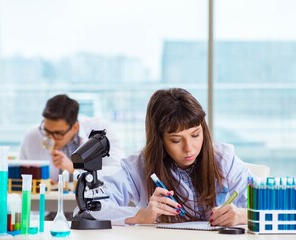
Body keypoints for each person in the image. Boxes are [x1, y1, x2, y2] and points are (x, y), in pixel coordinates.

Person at [83, 88, 252, 226]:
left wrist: (242, 215)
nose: (189, 148)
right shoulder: (137, 167)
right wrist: (140, 215)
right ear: (159, 140)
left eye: (195, 135)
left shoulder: (224, 159)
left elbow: (272, 207)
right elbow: (88, 209)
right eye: (176, 140)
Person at [18, 94, 124, 182]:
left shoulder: (101, 132)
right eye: (47, 131)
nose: (50, 138)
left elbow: (116, 172)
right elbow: (20, 173)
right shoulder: (33, 136)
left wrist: (74, 169)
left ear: (75, 127)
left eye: (58, 133)